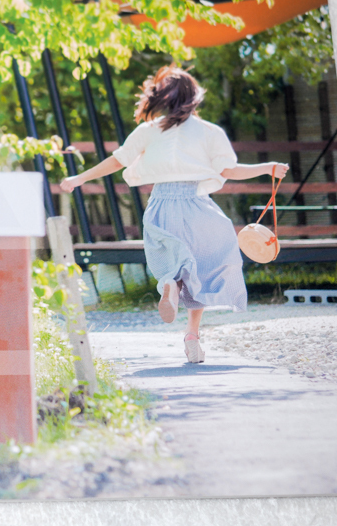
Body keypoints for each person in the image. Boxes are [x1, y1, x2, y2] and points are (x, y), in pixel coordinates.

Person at [60, 65, 288, 363]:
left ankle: (170, 285)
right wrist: (267, 167)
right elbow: (228, 170)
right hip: (198, 205)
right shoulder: (209, 132)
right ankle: (192, 335)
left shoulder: (149, 130)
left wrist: (79, 179)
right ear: (194, 97)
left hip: (161, 204)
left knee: (175, 263)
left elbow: (117, 161)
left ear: (162, 98)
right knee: (207, 264)